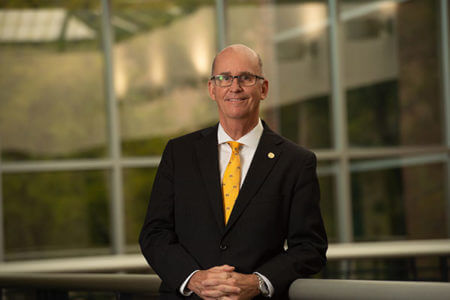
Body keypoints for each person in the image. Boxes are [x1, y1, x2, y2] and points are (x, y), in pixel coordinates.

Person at [139, 44, 327, 299]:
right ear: (212, 89)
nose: (234, 87)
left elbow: (309, 247)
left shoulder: (295, 162)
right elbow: (154, 233)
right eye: (224, 78)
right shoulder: (179, 153)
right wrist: (193, 278)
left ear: (264, 89)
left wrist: (258, 282)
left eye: (246, 77)